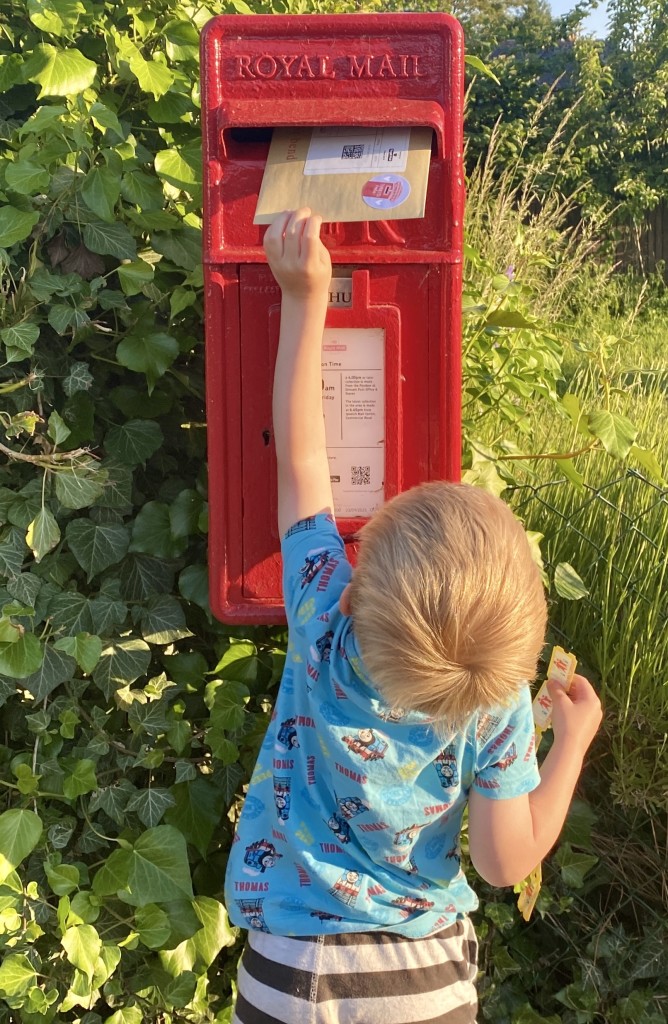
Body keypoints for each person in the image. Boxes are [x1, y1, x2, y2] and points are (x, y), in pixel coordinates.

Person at [224, 209, 602, 1024]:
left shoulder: (324, 615)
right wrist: (570, 744)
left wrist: (306, 296)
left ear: (357, 589)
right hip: (424, 985)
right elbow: (505, 863)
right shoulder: (496, 702)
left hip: (287, 970)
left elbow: (301, 458)